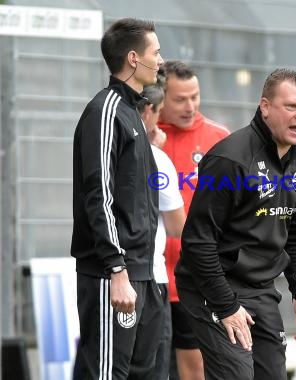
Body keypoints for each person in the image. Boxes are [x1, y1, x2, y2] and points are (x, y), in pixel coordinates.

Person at [175, 68, 296, 380]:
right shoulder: (230, 160)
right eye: (291, 106)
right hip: (213, 285)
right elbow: (198, 242)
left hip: (261, 288)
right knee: (237, 375)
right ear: (265, 107)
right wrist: (226, 306)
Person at [71, 18, 164, 379]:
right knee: (108, 373)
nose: (161, 60)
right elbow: (99, 194)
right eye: (155, 52)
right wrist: (117, 270)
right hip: (114, 275)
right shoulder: (105, 112)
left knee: (142, 372)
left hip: (141, 272)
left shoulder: (132, 114)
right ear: (133, 58)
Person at [156, 60, 231, 380]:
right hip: (152, 275)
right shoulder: (144, 134)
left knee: (195, 366)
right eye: (179, 99)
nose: (190, 106)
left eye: (195, 97)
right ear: (161, 97)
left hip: (196, 277)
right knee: (147, 363)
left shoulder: (219, 138)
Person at [137, 81, 186, 380]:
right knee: (152, 367)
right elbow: (177, 225)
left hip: (102, 276)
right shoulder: (157, 159)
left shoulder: (101, 146)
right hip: (150, 277)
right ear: (148, 112)